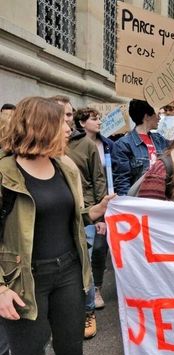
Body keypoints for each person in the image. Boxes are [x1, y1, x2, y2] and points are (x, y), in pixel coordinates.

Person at [0, 96, 114, 355]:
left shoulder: (64, 166)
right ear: (40, 126)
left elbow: (67, 216)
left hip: (69, 274)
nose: (69, 128)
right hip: (25, 281)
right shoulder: (4, 173)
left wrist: (95, 210)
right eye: (61, 122)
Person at [52, 97, 106, 340]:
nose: (68, 120)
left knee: (85, 263)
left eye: (70, 114)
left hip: (83, 215)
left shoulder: (85, 145)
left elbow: (98, 179)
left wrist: (99, 213)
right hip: (54, 222)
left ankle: (87, 311)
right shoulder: (44, 151)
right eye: (63, 114)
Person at [73, 107, 114, 311]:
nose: (99, 122)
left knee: (98, 250)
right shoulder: (70, 146)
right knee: (86, 255)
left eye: (100, 119)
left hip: (100, 204)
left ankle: (94, 291)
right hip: (84, 207)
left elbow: (100, 180)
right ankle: (86, 303)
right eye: (94, 119)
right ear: (81, 123)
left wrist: (102, 213)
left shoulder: (108, 145)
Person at [111, 100, 168, 196]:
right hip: (138, 200)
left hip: (161, 197)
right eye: (156, 114)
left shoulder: (160, 140)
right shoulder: (123, 145)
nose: (159, 118)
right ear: (147, 116)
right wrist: (128, 205)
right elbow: (122, 181)